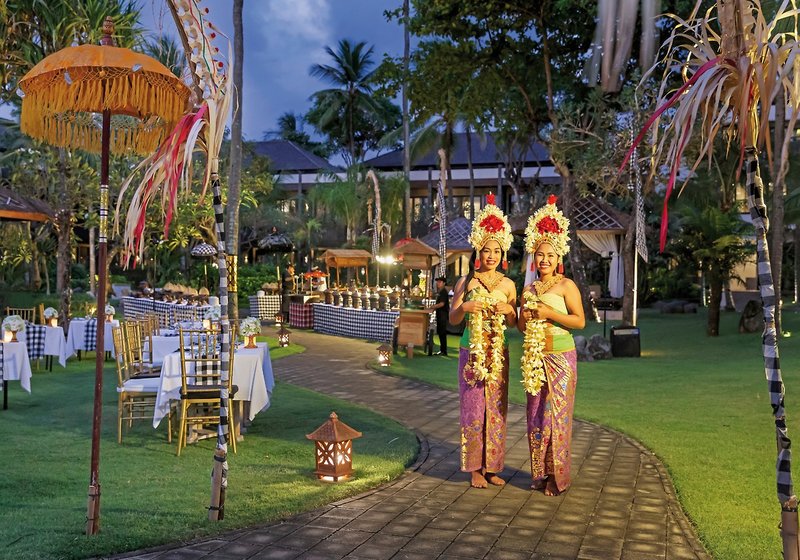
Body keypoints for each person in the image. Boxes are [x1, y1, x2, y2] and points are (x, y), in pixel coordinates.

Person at [517, 195, 585, 496]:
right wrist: (523, 315)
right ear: (534, 257)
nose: (544, 260)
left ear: (559, 258)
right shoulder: (529, 288)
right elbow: (522, 327)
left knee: (557, 417)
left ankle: (558, 477)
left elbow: (579, 321)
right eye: (540, 255)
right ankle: (540, 473)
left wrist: (548, 313)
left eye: (550, 255)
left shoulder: (566, 285)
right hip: (534, 359)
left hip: (561, 357)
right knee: (535, 417)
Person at [449, 193, 517, 489]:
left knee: (497, 410)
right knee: (473, 409)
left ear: (503, 254)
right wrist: (464, 307)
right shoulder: (466, 281)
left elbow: (514, 322)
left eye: (497, 251)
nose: (491, 255)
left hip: (499, 352)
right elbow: (453, 319)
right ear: (478, 250)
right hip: (471, 352)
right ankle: (474, 468)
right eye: (486, 250)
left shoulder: (509, 285)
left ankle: (492, 467)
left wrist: (510, 310)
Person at [428, 276, 450, 355]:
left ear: (444, 283)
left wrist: (433, 307)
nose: (438, 283)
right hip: (440, 314)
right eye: (437, 282)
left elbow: (442, 304)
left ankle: (444, 351)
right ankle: (442, 350)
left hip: (443, 315)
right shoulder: (440, 292)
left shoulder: (443, 292)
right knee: (441, 332)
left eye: (440, 282)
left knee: (442, 333)